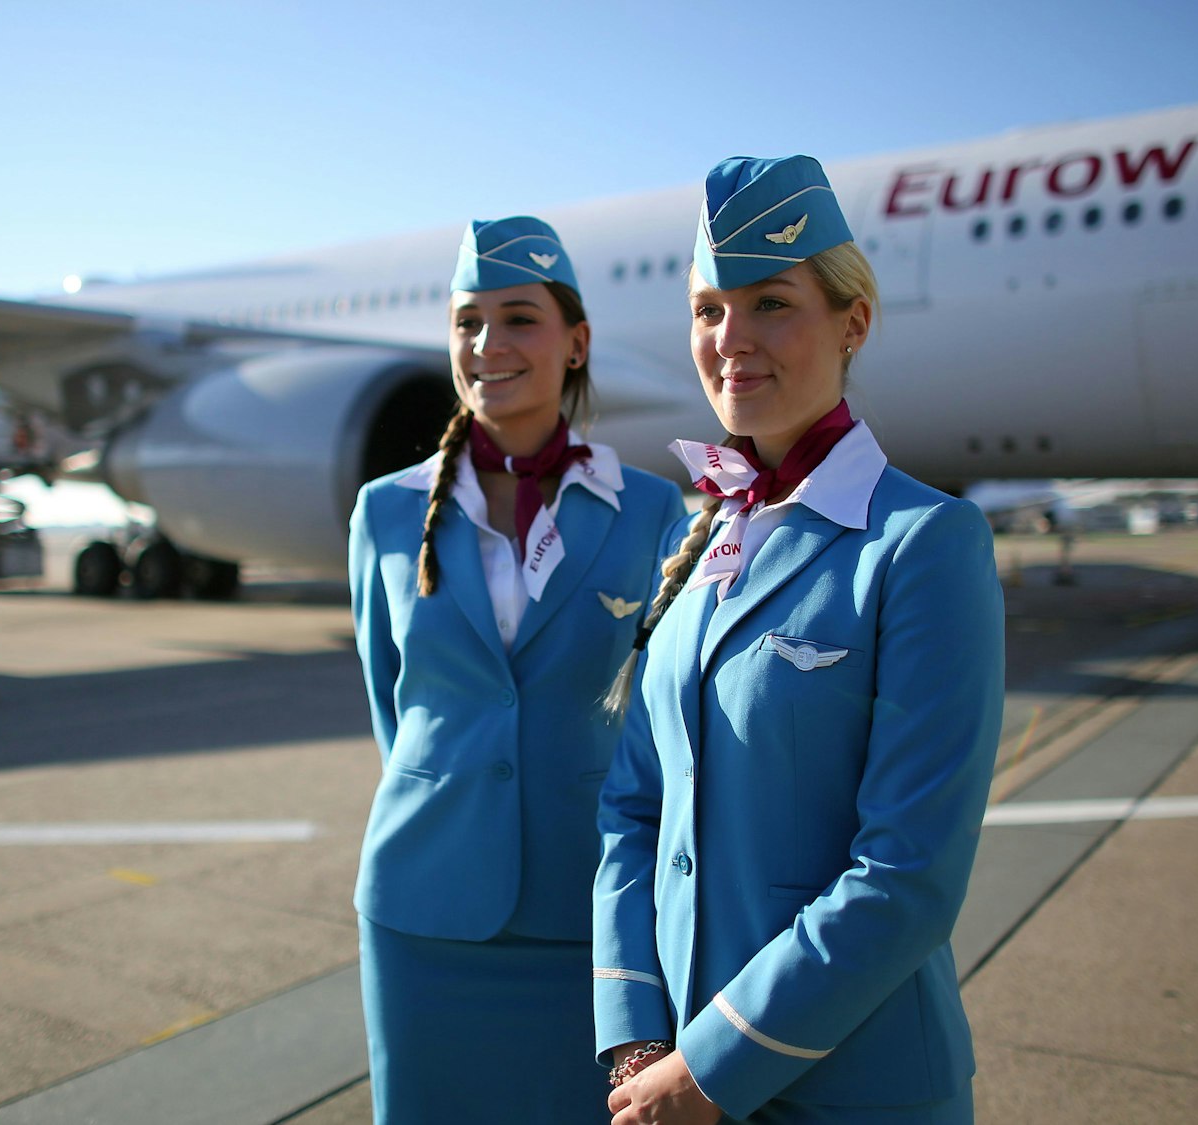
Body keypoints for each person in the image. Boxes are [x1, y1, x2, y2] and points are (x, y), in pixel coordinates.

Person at [594, 157, 1005, 1125]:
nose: (728, 340)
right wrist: (637, 1038)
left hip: (847, 1086)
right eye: (706, 310)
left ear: (851, 323)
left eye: (770, 303)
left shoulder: (921, 545)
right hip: (667, 1083)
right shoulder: (695, 539)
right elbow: (630, 806)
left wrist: (707, 1070)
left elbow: (905, 876)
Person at [348, 216, 685, 1124]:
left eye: (519, 318)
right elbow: (398, 708)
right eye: (467, 321)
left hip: (594, 917)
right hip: (425, 904)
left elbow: (660, 729)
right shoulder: (384, 511)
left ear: (576, 342)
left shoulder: (653, 510)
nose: (488, 344)